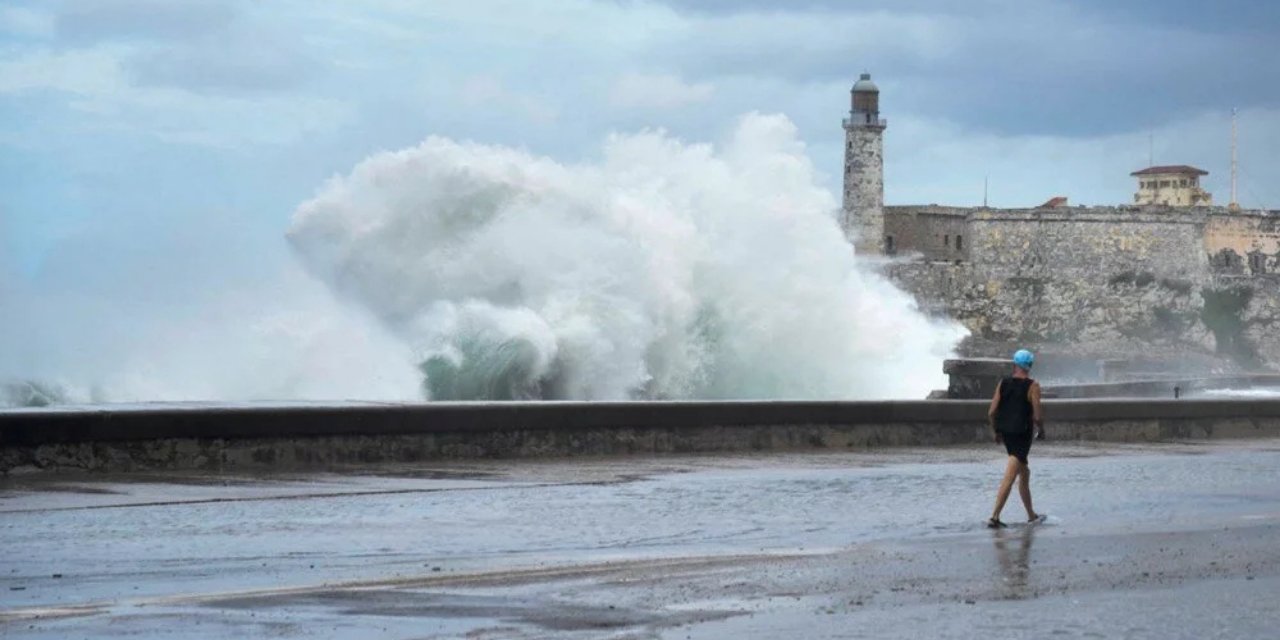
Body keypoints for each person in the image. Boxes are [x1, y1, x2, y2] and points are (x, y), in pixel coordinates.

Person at [986, 349, 1045, 528]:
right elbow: (1036, 416)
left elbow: (991, 412)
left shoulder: (1003, 383)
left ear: (1015, 364)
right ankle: (994, 516)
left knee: (1024, 473)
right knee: (1010, 476)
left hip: (1006, 433)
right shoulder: (1033, 386)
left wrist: (996, 431)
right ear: (1030, 366)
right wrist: (1041, 430)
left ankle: (1031, 515)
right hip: (1021, 435)